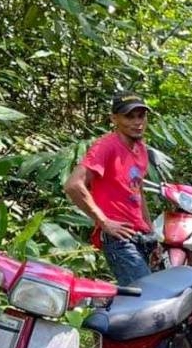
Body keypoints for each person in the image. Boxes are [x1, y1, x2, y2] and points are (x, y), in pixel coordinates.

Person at [64, 92, 155, 286]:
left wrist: (150, 231)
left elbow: (137, 190)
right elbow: (73, 184)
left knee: (140, 299)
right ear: (114, 118)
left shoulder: (141, 148)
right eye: (129, 116)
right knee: (147, 297)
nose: (137, 122)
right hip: (119, 239)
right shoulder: (106, 146)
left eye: (141, 115)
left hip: (139, 236)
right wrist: (104, 221)